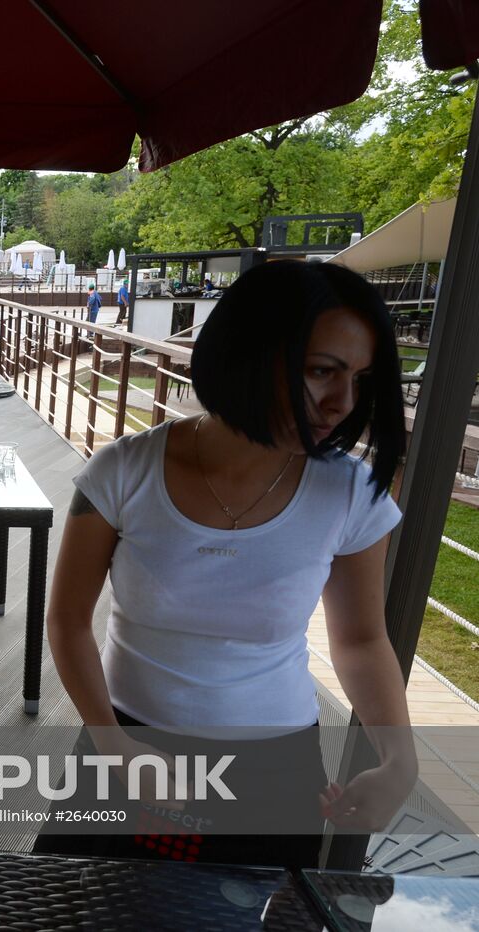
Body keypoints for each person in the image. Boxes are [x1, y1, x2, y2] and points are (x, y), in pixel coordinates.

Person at [34, 260, 416, 870]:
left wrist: (400, 761)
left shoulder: (350, 493)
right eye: (321, 371)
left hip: (274, 765)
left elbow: (362, 639)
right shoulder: (122, 472)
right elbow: (68, 620)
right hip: (128, 739)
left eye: (359, 378)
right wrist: (112, 745)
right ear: (246, 352)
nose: (342, 403)